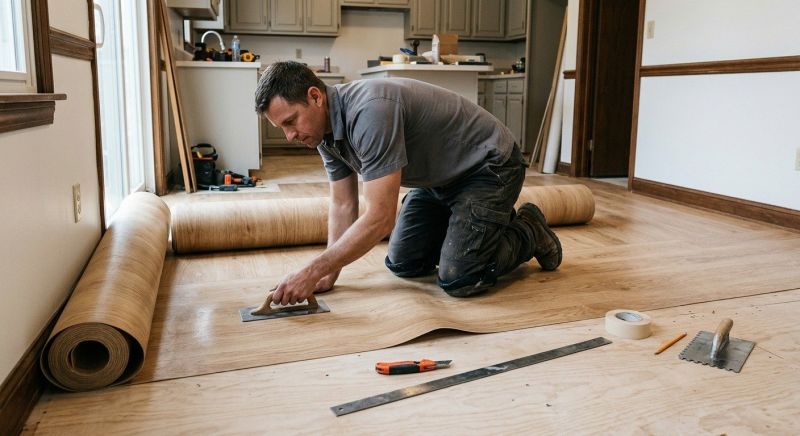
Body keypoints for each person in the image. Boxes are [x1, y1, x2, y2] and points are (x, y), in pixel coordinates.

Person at [254, 61, 562, 306]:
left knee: (460, 279)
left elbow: (380, 217)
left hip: (488, 167)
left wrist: (311, 271)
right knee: (404, 264)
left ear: (315, 97)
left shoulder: (369, 111)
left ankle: (528, 229)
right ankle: (478, 225)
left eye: (291, 121)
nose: (290, 136)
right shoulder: (324, 134)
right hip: (440, 180)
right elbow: (343, 203)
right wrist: (329, 272)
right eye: (282, 127)